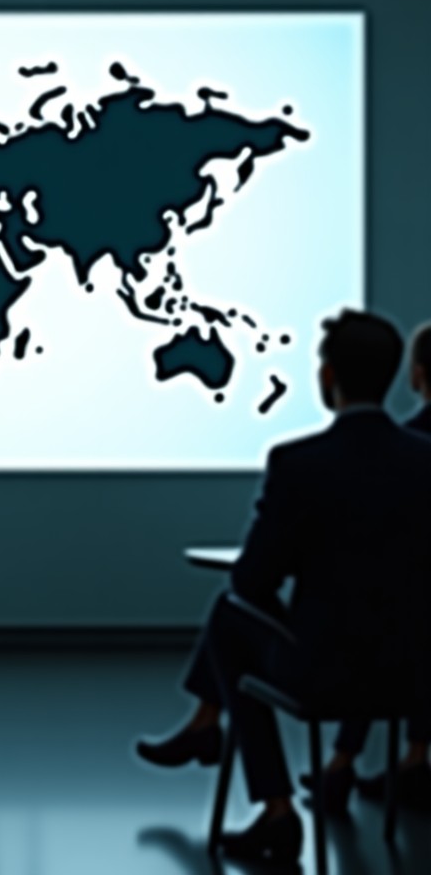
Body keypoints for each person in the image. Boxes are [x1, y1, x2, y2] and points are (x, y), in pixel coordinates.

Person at [135, 310, 431, 864]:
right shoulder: (425, 461)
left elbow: (252, 579)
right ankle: (205, 729)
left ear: (328, 376)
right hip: (415, 680)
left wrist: (296, 628)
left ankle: (274, 807)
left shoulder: (298, 463)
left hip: (324, 677)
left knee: (229, 617)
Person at [302, 321, 431, 810]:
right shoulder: (414, 451)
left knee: (375, 615)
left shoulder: (411, 444)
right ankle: (412, 759)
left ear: (417, 375)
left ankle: (337, 768)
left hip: (376, 636)